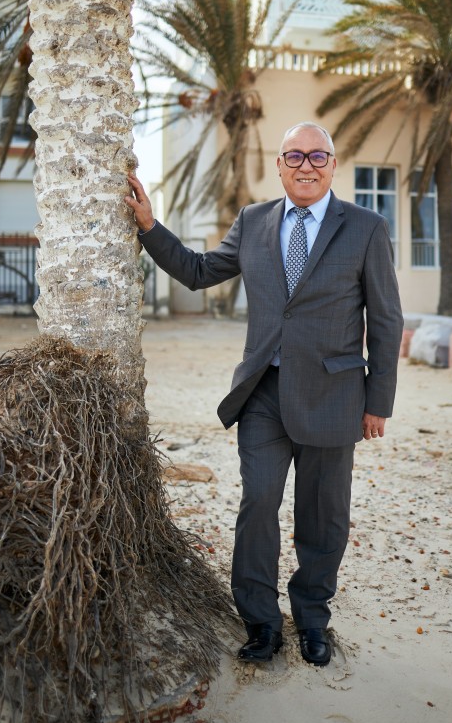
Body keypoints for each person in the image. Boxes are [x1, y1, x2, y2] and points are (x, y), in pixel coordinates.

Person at [125, 121, 403, 667]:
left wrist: (378, 402)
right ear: (278, 165)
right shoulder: (254, 221)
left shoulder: (367, 228)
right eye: (294, 156)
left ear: (333, 165)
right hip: (263, 394)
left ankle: (313, 618)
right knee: (257, 505)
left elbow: (387, 320)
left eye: (317, 156)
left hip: (334, 396)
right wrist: (150, 227)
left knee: (324, 515)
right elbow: (200, 272)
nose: (306, 165)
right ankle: (260, 622)